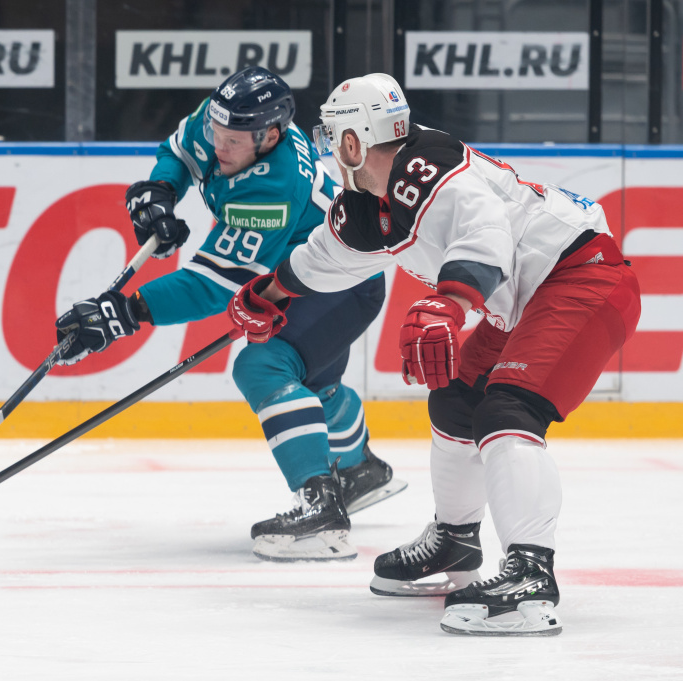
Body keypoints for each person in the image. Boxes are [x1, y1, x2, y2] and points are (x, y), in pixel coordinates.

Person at [227, 73, 640, 635]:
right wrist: (268, 294)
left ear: (352, 141)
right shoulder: (368, 201)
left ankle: (531, 576)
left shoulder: (431, 169)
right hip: (525, 298)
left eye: (330, 137)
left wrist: (451, 303)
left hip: (583, 278)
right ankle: (456, 540)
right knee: (455, 403)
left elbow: (485, 234)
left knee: (509, 411)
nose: (328, 150)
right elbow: (325, 257)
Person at [54, 67, 406, 562]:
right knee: (315, 382)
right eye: (216, 132)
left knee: (264, 366)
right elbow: (180, 151)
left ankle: (321, 510)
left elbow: (213, 285)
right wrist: (161, 192)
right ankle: (359, 469)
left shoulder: (275, 184)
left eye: (233, 141)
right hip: (301, 272)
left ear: (271, 136)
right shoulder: (228, 120)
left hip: (342, 282)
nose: (219, 146)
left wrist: (125, 313)